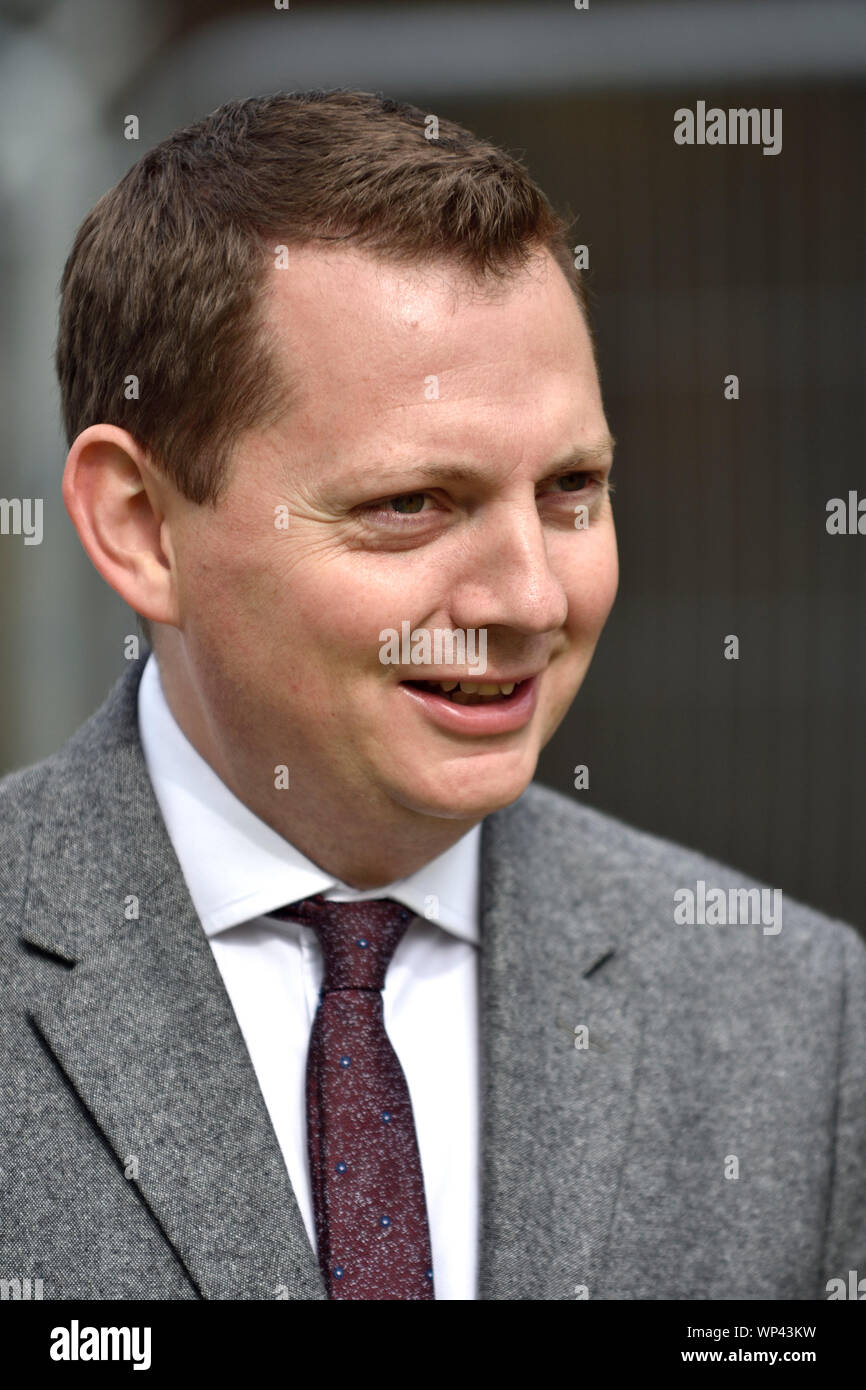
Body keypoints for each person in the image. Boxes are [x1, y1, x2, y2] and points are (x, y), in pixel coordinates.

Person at [1, 89, 863, 1302]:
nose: (529, 597)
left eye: (570, 488)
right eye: (410, 504)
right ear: (141, 527)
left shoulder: (790, 1017)